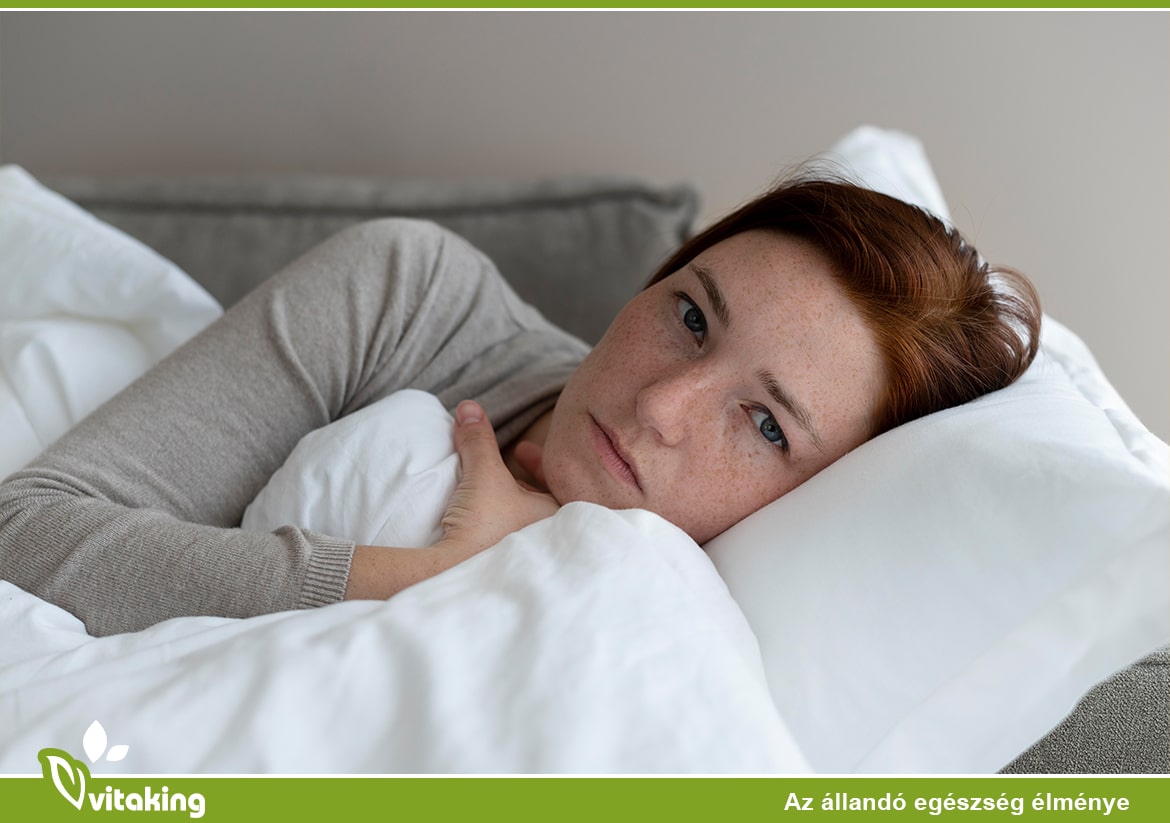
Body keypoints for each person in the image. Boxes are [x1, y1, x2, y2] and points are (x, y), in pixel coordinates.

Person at [0, 175, 1041, 637]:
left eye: (765, 424)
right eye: (690, 316)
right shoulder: (408, 297)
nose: (663, 405)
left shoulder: (707, 632)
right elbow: (28, 527)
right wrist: (416, 580)